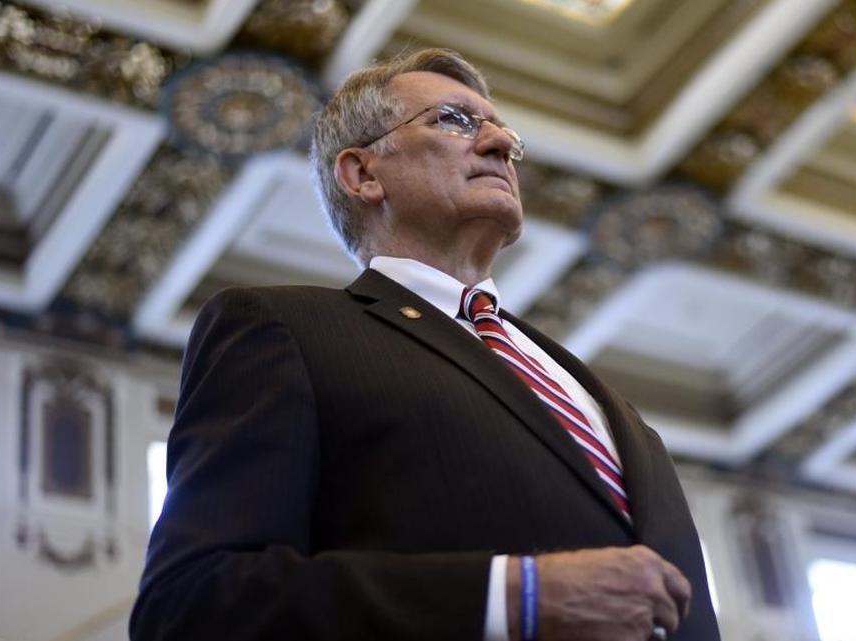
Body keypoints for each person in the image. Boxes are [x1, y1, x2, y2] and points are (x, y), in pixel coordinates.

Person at [130, 48, 720, 641]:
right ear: (362, 174)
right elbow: (194, 603)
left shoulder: (604, 402)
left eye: (504, 135)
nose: (497, 146)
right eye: (454, 120)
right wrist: (510, 600)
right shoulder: (285, 331)